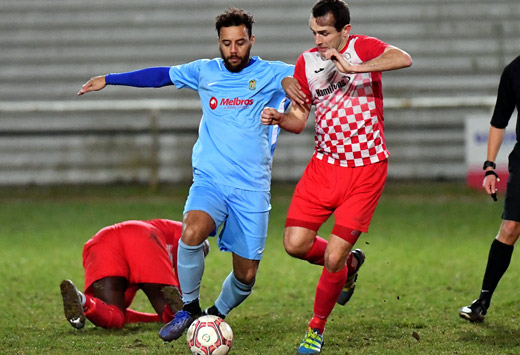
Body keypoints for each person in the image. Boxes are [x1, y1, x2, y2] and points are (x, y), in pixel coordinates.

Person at [77, 7, 294, 341]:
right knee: (191, 233)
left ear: (251, 40)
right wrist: (110, 78)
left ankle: (215, 315)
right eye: (226, 43)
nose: (233, 50)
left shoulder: (272, 73)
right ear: (218, 43)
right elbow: (161, 75)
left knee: (246, 276)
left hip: (251, 187)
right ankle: (190, 308)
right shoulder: (204, 72)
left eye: (239, 42)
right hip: (211, 180)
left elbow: (308, 81)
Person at [261, 0, 412, 353]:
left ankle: (316, 328)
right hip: (324, 167)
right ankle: (351, 263)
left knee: (331, 258)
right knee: (295, 244)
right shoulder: (308, 61)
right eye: (313, 32)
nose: (318, 40)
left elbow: (403, 58)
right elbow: (299, 120)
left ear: (345, 30)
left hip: (366, 170)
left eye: (325, 33)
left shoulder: (362, 47)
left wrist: (353, 65)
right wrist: (279, 118)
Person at [60, 219, 210, 329]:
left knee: (116, 316)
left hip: (102, 240)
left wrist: (151, 319)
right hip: (142, 237)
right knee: (175, 315)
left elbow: (124, 313)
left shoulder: (165, 227)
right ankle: (176, 314)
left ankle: (83, 300)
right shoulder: (190, 237)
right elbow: (183, 282)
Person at [459, 55, 520, 323]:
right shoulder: (514, 71)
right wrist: (490, 167)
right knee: (509, 228)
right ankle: (483, 300)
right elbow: (499, 121)